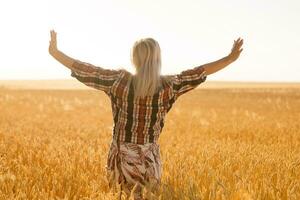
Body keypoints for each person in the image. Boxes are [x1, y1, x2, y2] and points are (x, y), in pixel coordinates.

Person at [48, 30, 243, 199]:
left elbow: (86, 70)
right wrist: (229, 59)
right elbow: (200, 72)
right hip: (150, 158)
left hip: (122, 157)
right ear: (159, 59)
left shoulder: (118, 81)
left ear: (134, 59)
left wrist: (56, 53)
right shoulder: (170, 85)